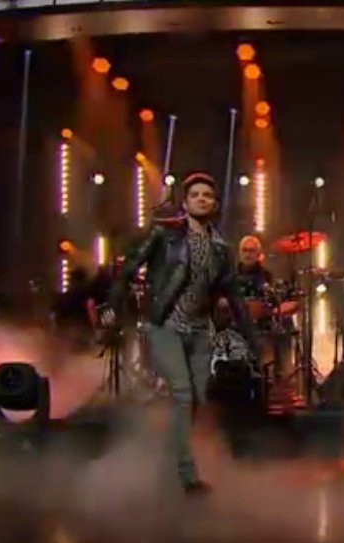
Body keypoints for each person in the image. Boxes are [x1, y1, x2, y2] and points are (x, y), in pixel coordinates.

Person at [101, 172, 255, 493]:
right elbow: (128, 269)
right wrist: (113, 306)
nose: (201, 199)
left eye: (207, 195)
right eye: (195, 194)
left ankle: (169, 455)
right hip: (165, 325)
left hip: (200, 331)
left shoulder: (220, 248)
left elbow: (234, 295)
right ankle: (186, 475)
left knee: (196, 397)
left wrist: (250, 336)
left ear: (215, 204)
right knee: (183, 394)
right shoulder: (165, 234)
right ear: (185, 203)